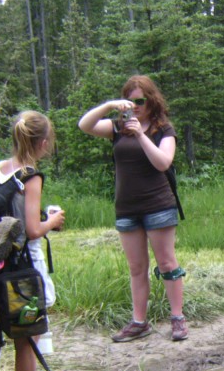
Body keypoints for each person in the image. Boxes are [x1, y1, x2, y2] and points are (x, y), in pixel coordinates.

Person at [78, 75, 188, 342]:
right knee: (136, 267)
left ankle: (178, 319)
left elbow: (163, 163)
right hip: (126, 208)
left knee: (166, 263)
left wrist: (140, 134)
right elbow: (85, 125)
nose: (136, 106)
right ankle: (139, 322)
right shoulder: (117, 127)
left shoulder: (164, 130)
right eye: (131, 101)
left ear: (152, 101)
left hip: (158, 205)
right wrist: (109, 106)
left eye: (141, 101)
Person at [0, 111, 65, 371]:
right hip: (26, 269)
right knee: (28, 340)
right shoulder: (31, 177)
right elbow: (33, 229)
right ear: (43, 142)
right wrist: (54, 221)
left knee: (19, 337)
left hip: (0, 265)